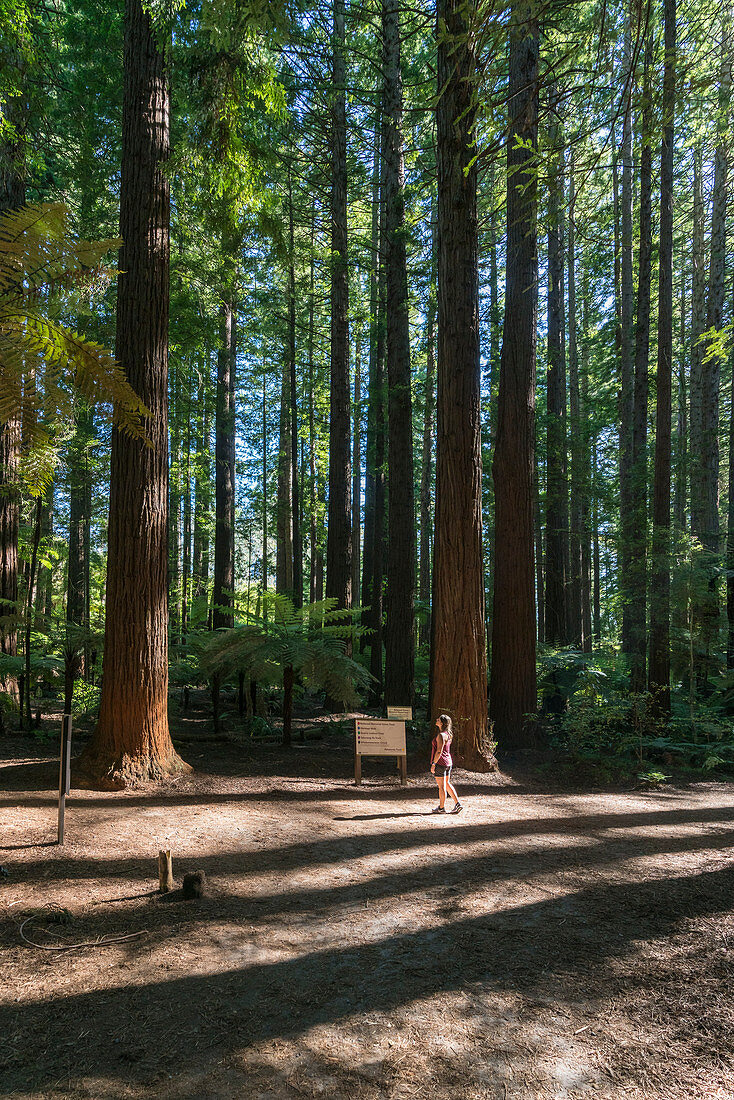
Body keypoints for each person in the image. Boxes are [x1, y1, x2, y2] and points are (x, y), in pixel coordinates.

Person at [429, 714, 462, 814]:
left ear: (442, 723)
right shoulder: (448, 734)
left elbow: (439, 751)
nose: (436, 720)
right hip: (448, 762)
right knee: (447, 784)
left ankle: (441, 808)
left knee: (441, 786)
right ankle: (458, 804)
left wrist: (434, 764)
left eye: (438, 719)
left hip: (440, 763)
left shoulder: (441, 735)